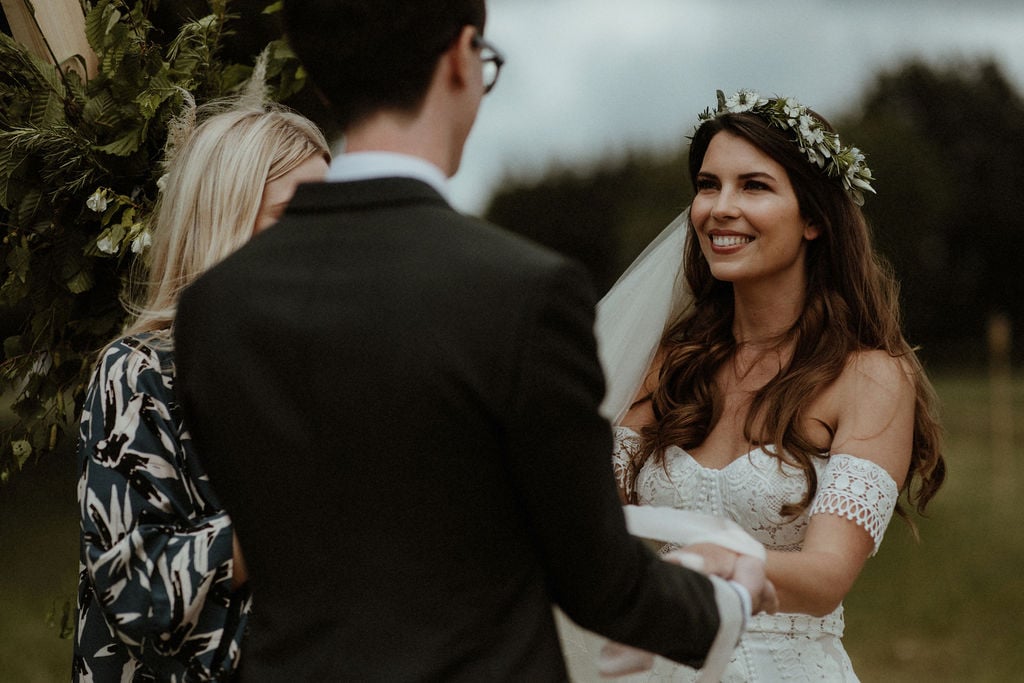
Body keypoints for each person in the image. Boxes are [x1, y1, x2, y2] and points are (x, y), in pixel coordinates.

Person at [171, 2, 775, 681]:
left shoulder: (213, 308)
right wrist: (728, 596)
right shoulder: (522, 293)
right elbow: (599, 581)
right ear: (461, 58)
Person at [593, 90, 946, 681]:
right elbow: (593, 516)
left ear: (813, 218)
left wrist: (719, 562)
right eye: (709, 185)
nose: (719, 208)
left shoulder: (869, 377)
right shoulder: (669, 364)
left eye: (753, 186)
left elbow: (827, 576)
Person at [73, 80, 330, 681]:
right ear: (225, 220)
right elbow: (133, 590)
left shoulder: (325, 371)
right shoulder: (138, 373)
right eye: (296, 216)